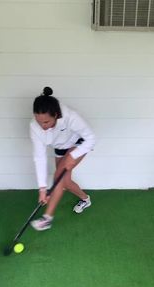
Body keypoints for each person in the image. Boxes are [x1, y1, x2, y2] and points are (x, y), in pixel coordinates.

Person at [30, 87, 96, 231]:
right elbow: (39, 157)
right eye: (38, 121)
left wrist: (73, 155)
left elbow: (91, 138)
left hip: (79, 144)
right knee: (64, 182)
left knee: (58, 176)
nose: (42, 126)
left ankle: (47, 218)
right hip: (61, 147)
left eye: (46, 122)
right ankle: (85, 199)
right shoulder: (34, 127)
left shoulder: (70, 116)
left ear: (56, 115)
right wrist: (42, 188)